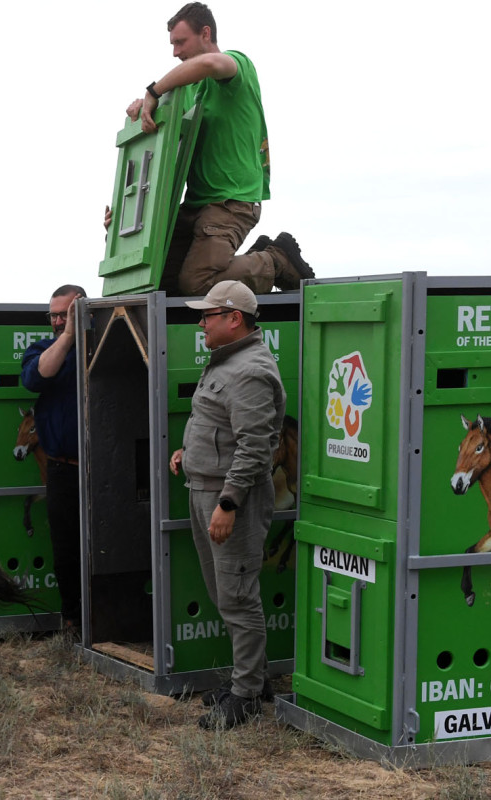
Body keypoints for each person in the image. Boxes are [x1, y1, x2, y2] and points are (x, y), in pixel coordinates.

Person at [124, 2, 313, 297]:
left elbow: (210, 64)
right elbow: (159, 137)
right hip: (195, 203)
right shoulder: (185, 91)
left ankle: (276, 260)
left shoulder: (235, 65)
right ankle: (254, 258)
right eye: (172, 44)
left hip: (231, 200)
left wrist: (153, 92)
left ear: (206, 34)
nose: (175, 52)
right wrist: (141, 110)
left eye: (180, 42)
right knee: (159, 280)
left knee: (197, 284)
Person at [168, 279, 285, 729]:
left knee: (237, 595)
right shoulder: (228, 361)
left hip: (229, 498)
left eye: (208, 315)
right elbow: (218, 424)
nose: (201, 323)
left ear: (234, 318)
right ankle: (251, 678)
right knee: (224, 593)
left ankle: (247, 695)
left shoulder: (250, 369)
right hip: (206, 489)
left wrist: (230, 502)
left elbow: (256, 448)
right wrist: (188, 454)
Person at [21, 284, 86, 632]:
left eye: (67, 314)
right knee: (65, 550)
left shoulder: (101, 346)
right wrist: (69, 336)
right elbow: (37, 376)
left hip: (104, 469)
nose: (59, 321)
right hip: (63, 470)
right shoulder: (45, 349)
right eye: (55, 315)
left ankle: (108, 623)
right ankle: (72, 621)